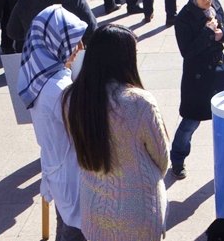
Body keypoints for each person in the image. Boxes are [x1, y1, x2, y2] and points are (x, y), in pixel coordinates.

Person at [63, 25, 170, 240]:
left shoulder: (72, 98)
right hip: (139, 209)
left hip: (93, 207)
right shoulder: (139, 102)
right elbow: (162, 158)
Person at [19, 6, 88, 240]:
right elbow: (86, 132)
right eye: (74, 42)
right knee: (74, 231)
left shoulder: (40, 72)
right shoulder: (60, 88)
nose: (79, 49)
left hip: (58, 167)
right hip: (72, 174)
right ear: (56, 43)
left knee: (65, 225)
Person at [171, 0, 224, 179]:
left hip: (220, 69)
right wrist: (208, 33)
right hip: (197, 76)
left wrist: (221, 33)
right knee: (190, 121)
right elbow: (187, 51)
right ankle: (177, 159)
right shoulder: (184, 18)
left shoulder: (217, 5)